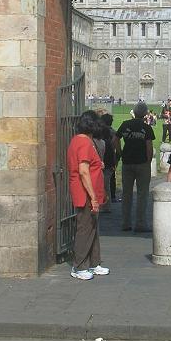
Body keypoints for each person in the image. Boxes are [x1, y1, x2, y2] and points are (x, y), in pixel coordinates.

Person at [67, 110, 109, 279]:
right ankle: (79, 266)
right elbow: (83, 171)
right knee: (85, 228)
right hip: (84, 194)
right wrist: (92, 197)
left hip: (90, 192)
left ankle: (94, 262)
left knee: (92, 227)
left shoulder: (82, 141)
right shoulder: (84, 143)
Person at [116, 101, 155, 232]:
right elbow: (149, 147)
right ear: (145, 114)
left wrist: (120, 152)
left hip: (127, 162)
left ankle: (125, 223)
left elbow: (115, 139)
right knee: (142, 194)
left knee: (126, 194)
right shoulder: (147, 128)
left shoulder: (125, 125)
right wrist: (148, 161)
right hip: (142, 162)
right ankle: (140, 223)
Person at [99, 112, 117, 213]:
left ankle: (106, 205)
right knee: (109, 182)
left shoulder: (103, 133)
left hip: (106, 160)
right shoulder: (113, 132)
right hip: (110, 159)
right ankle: (110, 199)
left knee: (105, 185)